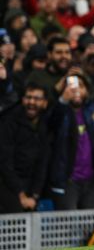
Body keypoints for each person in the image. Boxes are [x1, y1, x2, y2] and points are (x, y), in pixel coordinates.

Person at [48, 73, 94, 210]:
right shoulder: (59, 110)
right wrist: (62, 100)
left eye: (81, 86)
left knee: (91, 229)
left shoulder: (92, 109)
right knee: (67, 229)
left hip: (91, 181)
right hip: (67, 182)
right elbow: (51, 123)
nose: (76, 90)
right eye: (71, 86)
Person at [0, 82, 49, 213]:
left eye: (37, 99)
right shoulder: (10, 122)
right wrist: (21, 194)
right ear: (22, 100)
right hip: (8, 185)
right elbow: (5, 163)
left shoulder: (44, 126)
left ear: (45, 103)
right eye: (28, 97)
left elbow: (42, 163)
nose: (31, 102)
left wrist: (34, 195)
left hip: (31, 186)